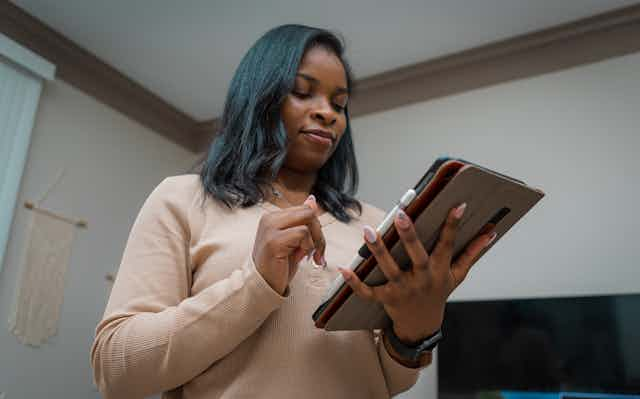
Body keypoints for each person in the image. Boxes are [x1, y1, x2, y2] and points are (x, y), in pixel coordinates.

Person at [90, 24, 496, 399]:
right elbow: (116, 371)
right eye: (303, 92)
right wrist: (256, 284)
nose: (329, 113)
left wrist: (415, 332)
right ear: (258, 97)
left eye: (340, 104)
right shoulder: (182, 199)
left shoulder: (373, 224)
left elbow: (388, 380)